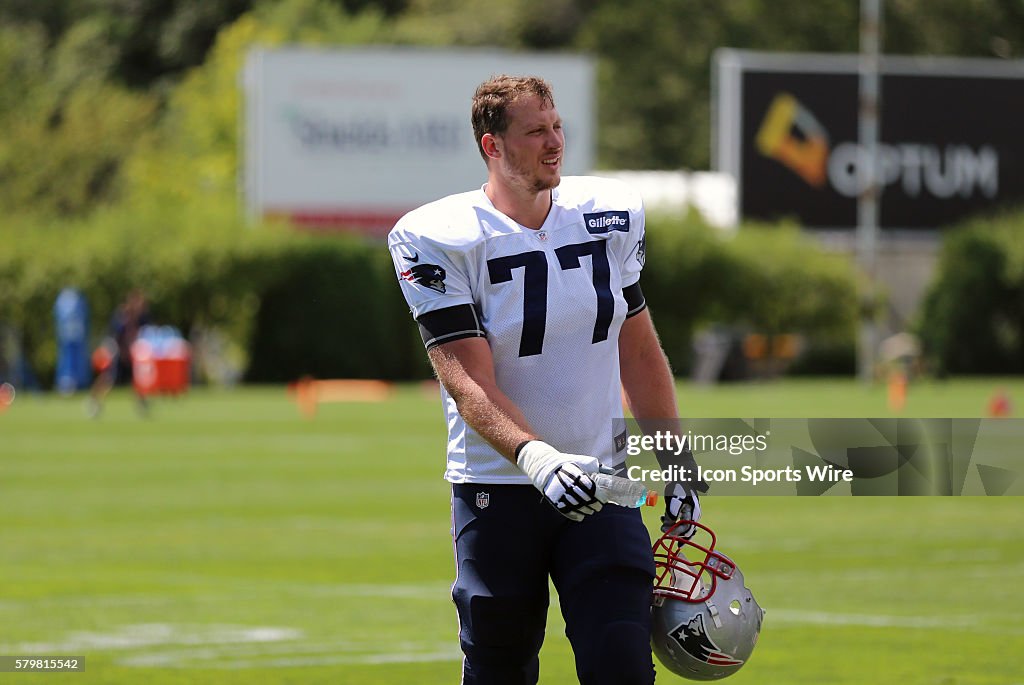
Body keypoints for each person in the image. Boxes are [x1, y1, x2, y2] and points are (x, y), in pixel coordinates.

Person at [388, 75, 701, 684]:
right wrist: (536, 459)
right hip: (499, 489)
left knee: (622, 665)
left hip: (603, 484)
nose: (554, 143)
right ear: (493, 146)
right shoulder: (437, 237)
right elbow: (465, 378)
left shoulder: (607, 214)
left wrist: (675, 457)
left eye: (557, 127)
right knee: (499, 671)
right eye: (535, 132)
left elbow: (636, 350)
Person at [87, 289, 151, 417]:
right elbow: (117, 337)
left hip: (128, 351)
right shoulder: (123, 316)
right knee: (110, 378)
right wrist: (122, 353)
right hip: (116, 349)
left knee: (135, 378)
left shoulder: (140, 318)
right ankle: (94, 400)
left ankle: (141, 403)